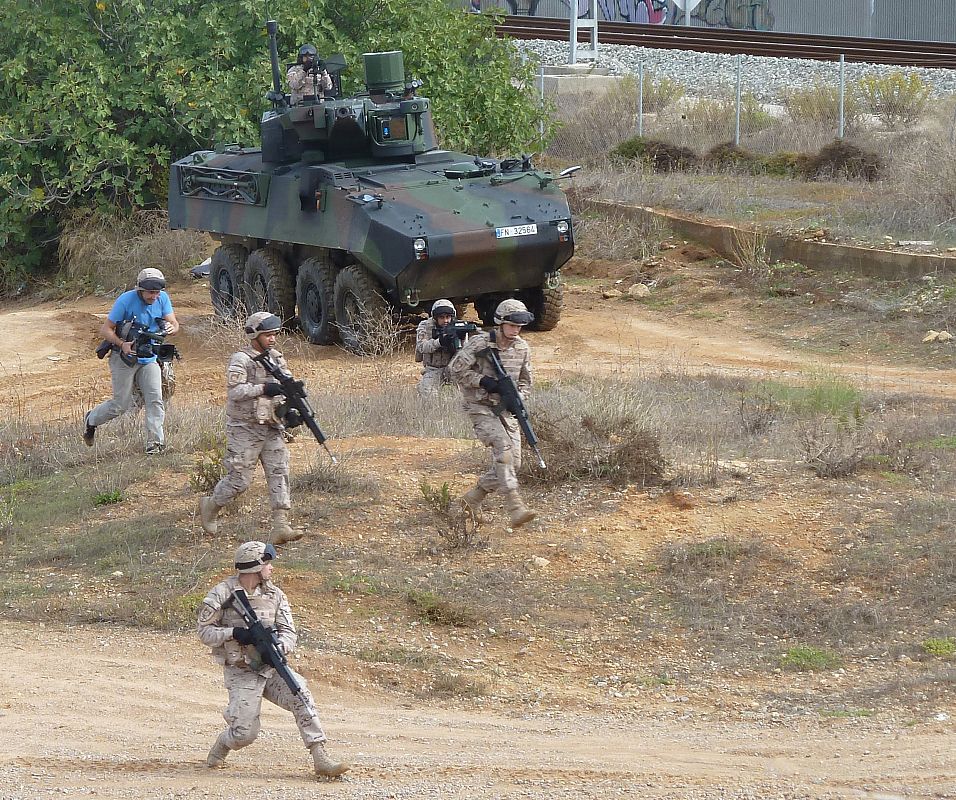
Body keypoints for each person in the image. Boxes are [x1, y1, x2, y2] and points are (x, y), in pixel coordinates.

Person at [198, 540, 349, 779]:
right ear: (254, 566)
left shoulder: (275, 595)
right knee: (245, 734)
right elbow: (204, 632)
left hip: (271, 667)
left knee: (300, 694)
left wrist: (279, 647)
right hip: (242, 671)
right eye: (267, 563)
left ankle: (320, 757)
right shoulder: (222, 593)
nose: (271, 568)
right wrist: (234, 633)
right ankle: (223, 744)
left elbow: (289, 632)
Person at [198, 312, 301, 545]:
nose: (272, 339)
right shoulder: (241, 359)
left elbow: (285, 386)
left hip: (271, 425)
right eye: (267, 335)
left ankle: (281, 525)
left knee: (279, 471)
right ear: (254, 335)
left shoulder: (276, 358)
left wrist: (290, 410)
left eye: (274, 334)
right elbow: (235, 392)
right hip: (244, 428)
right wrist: (263, 388)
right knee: (240, 479)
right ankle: (211, 505)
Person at [448, 298, 537, 529]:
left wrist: (517, 398)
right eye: (512, 325)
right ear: (501, 323)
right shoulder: (480, 343)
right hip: (480, 406)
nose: (516, 330)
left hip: (505, 410)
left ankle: (472, 499)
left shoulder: (522, 348)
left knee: (514, 463)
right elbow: (455, 370)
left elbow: (526, 382)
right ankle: (515, 507)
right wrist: (483, 381)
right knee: (503, 451)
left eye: (520, 326)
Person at [83, 267, 179, 455]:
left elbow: (174, 324)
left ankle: (155, 444)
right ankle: (91, 420)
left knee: (155, 398)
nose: (154, 296)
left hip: (149, 357)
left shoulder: (163, 299)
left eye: (157, 292)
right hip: (124, 358)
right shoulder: (125, 300)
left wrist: (171, 328)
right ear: (140, 290)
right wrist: (122, 344)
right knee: (120, 405)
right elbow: (106, 329)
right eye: (150, 292)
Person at [415, 299, 458, 398]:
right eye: (442, 317)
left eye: (448, 317)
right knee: (427, 393)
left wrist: (457, 342)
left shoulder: (458, 327)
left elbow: (465, 353)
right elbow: (421, 347)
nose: (445, 321)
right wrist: (440, 342)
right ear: (435, 318)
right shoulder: (425, 326)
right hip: (433, 369)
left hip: (453, 369)